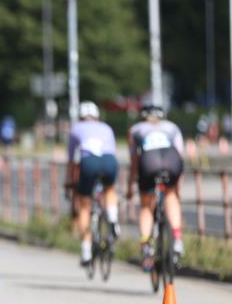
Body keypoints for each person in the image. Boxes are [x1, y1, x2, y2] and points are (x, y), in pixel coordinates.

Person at [127, 104, 186, 269]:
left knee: (146, 206)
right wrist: (177, 186)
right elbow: (180, 156)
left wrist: (131, 185)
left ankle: (146, 247)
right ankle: (177, 240)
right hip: (171, 161)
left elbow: (134, 161)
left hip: (149, 162)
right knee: (171, 197)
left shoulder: (136, 129)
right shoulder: (172, 128)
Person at [66, 101, 119, 266]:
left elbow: (71, 160)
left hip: (89, 162)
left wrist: (69, 182)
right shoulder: (107, 128)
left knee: (84, 206)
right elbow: (112, 151)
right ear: (97, 117)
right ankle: (113, 219)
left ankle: (86, 251)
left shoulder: (76, 129)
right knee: (109, 188)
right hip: (109, 161)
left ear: (81, 117)